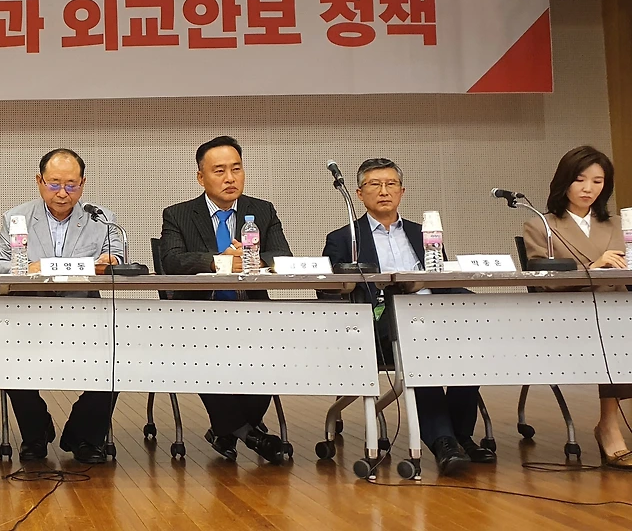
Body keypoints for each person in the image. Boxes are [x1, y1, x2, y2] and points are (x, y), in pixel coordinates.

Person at [323, 158, 493, 475]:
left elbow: (442, 282)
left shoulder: (423, 232)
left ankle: (461, 436)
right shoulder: (345, 238)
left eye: (391, 184)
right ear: (359, 193)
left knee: (470, 346)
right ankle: (444, 443)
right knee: (417, 348)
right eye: (375, 184)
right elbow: (330, 293)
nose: (384, 191)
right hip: (381, 326)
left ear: (402, 191)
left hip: (435, 318)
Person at [158, 136, 291, 464]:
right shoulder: (178, 214)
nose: (230, 178)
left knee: (274, 351)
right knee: (200, 354)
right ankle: (252, 435)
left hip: (253, 315)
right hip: (198, 318)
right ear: (201, 177)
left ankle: (227, 430)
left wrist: (252, 260)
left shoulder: (261, 210)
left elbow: (282, 256)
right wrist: (221, 262)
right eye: (219, 171)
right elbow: (172, 261)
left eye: (236, 169)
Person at [0, 149, 124, 464]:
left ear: (83, 184)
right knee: (7, 361)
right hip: (28, 320)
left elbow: (117, 257)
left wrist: (111, 261)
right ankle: (36, 433)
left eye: (71, 185)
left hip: (85, 318)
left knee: (117, 361)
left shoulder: (101, 218)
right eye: (54, 184)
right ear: (39, 181)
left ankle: (84, 436)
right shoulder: (16, 218)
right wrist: (27, 268)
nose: (63, 193)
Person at [523, 145, 631, 469]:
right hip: (568, 311)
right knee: (618, 332)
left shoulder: (618, 223)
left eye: (598, 182)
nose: (588, 189)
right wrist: (592, 267)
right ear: (564, 181)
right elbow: (543, 280)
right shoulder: (541, 225)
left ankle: (609, 423)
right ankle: (609, 426)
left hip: (617, 307)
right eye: (580, 180)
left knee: (621, 326)